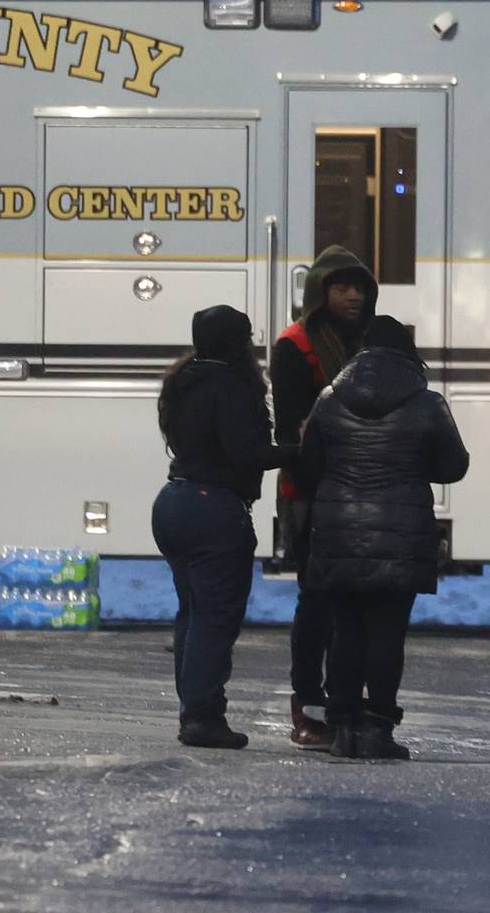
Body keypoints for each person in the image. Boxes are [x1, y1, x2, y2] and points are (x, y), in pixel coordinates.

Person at [300, 315, 470, 760]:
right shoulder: (427, 402)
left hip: (338, 530)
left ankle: (342, 731)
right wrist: (414, 468)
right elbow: (454, 465)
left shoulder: (328, 399)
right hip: (400, 534)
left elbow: (309, 462)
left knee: (345, 632)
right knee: (386, 634)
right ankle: (377, 730)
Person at [153, 305, 290, 749]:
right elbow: (245, 452)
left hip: (174, 500)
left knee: (192, 613)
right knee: (214, 619)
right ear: (239, 342)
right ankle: (202, 717)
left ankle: (193, 711)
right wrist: (301, 449)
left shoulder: (182, 380)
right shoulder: (229, 384)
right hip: (214, 507)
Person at [271, 246, 378, 750]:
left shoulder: (371, 344)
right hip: (313, 495)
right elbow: (294, 432)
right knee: (316, 604)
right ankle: (308, 704)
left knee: (353, 606)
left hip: (362, 493)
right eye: (342, 287)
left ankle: (345, 705)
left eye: (360, 287)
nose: (354, 295)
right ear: (320, 294)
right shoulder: (295, 347)